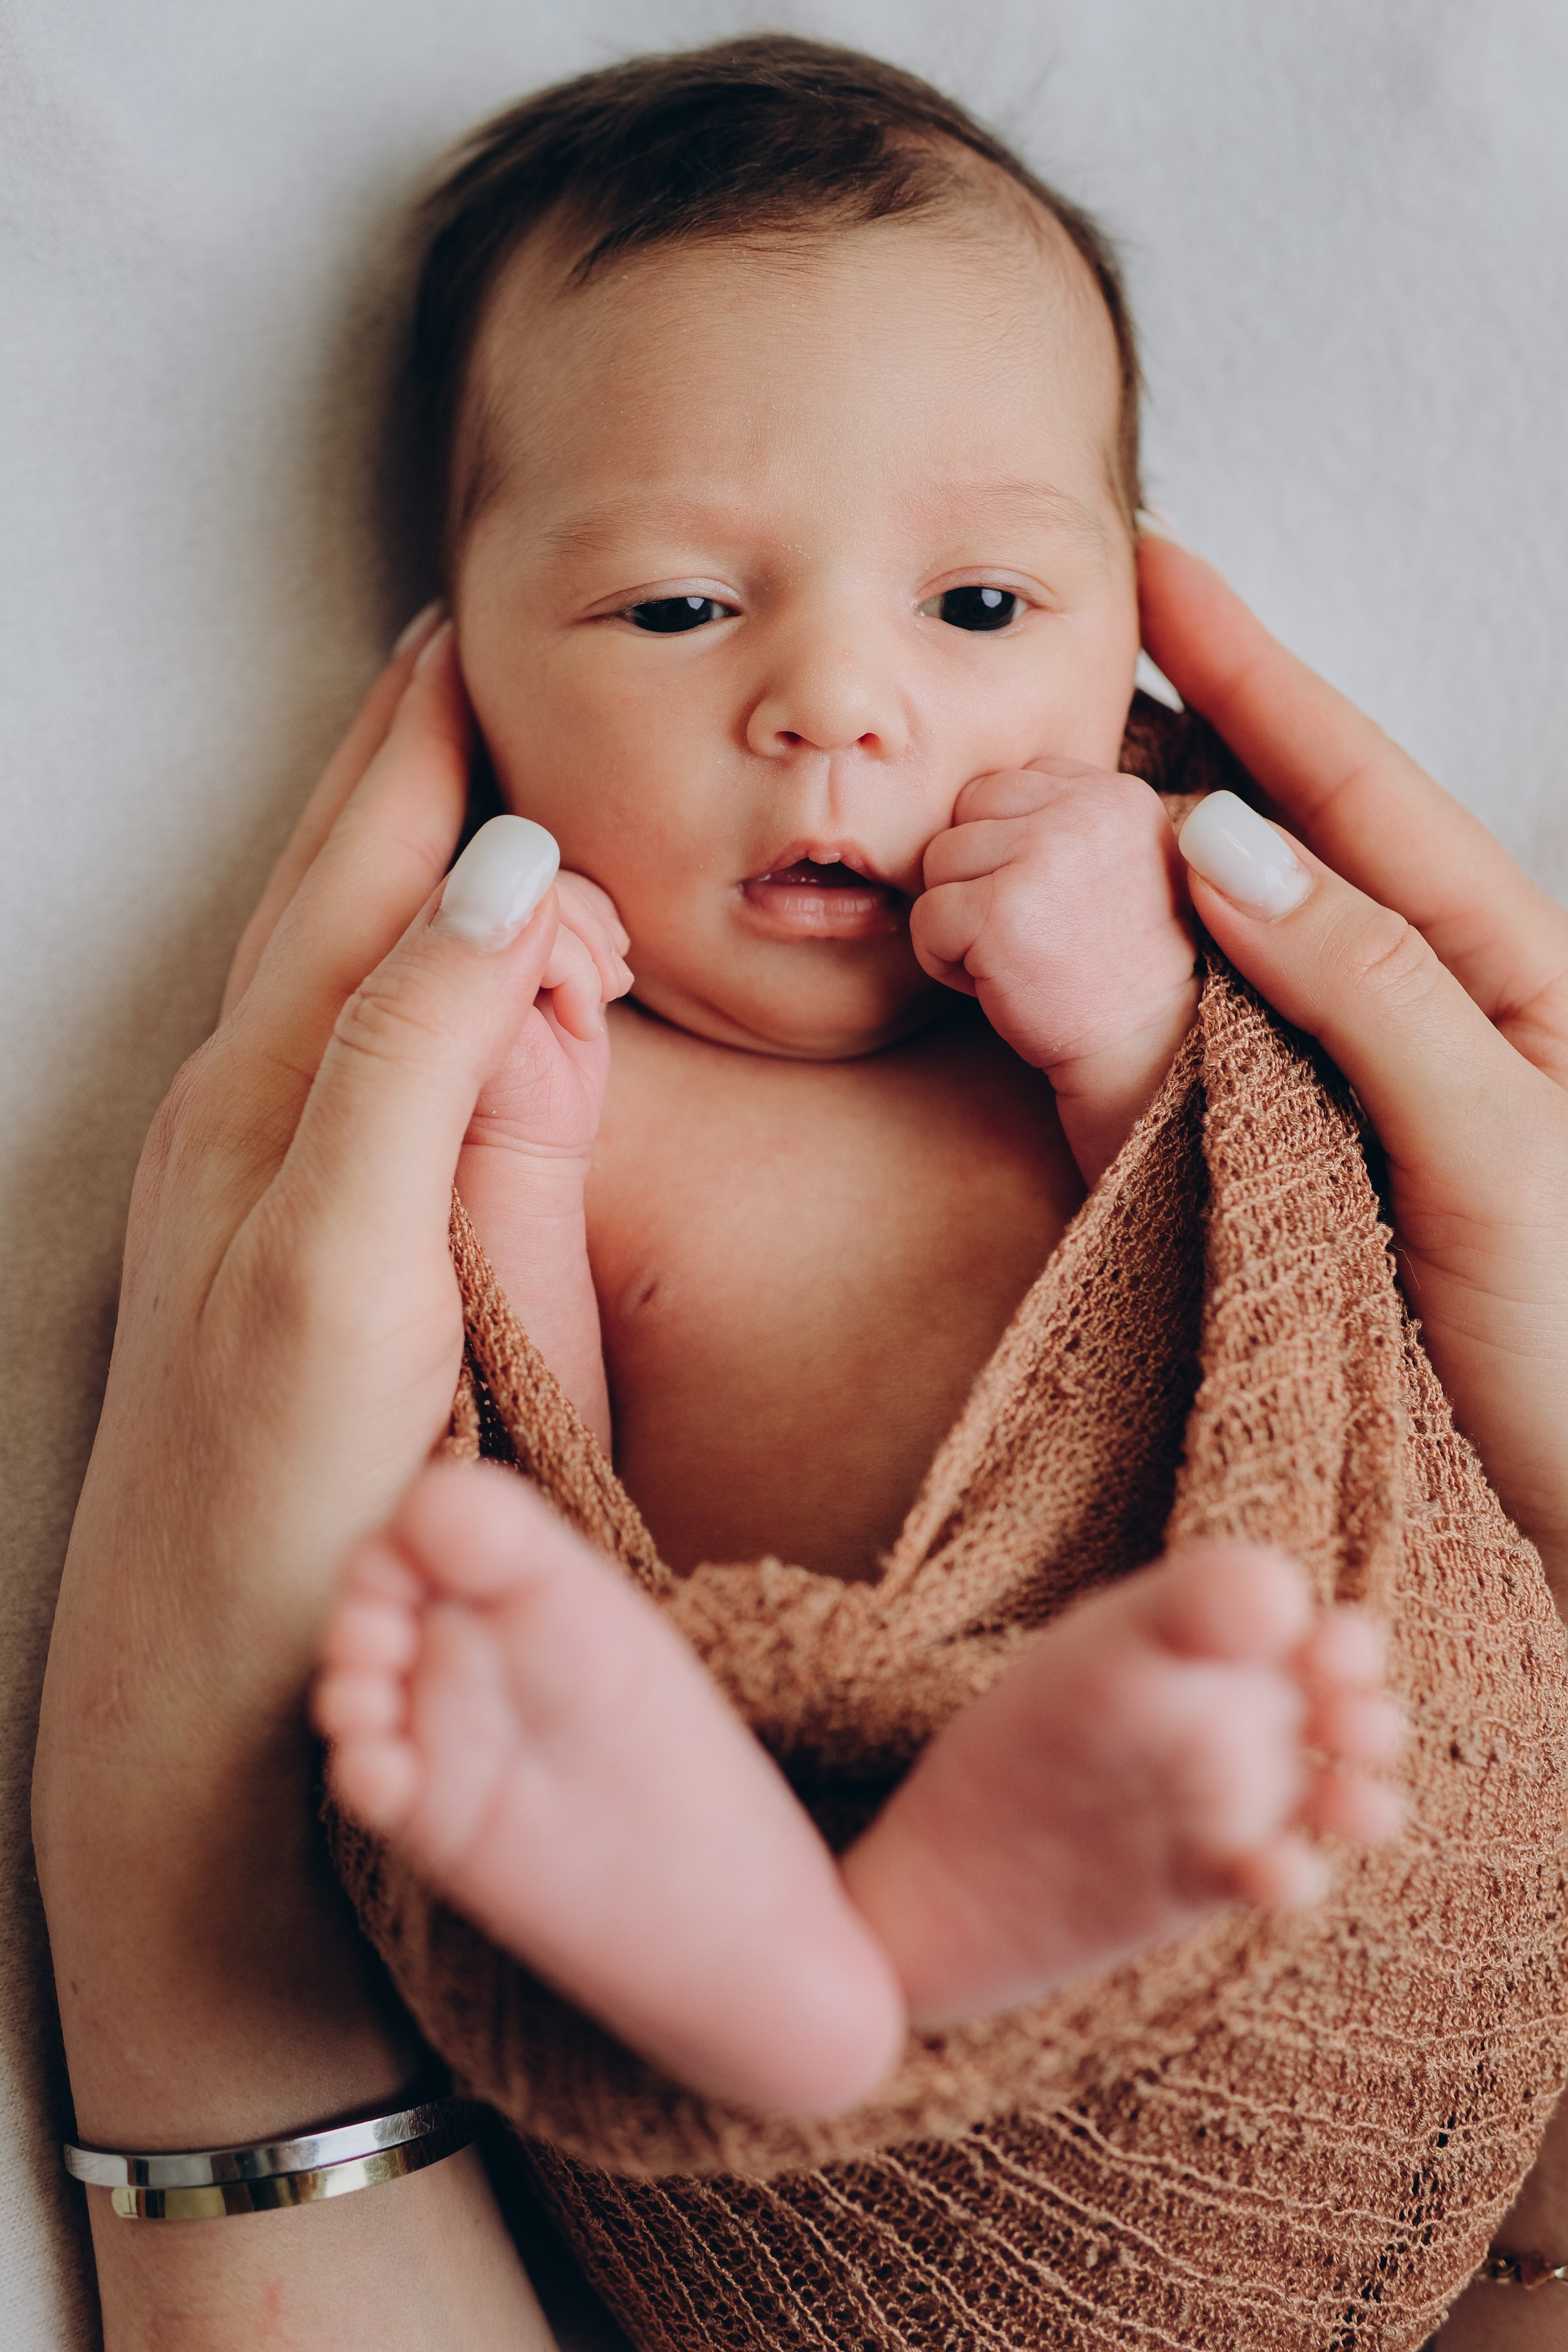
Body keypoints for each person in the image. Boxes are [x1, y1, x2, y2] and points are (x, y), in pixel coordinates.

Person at [32, 43, 1568, 2352]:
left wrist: (1143, 1034)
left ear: (1128, 644)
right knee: (522, 1684)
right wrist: (525, 1136)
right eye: (672, 611)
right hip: (744, 1927)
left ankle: (1009, 1859)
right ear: (458, 675)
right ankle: (868, 1939)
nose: (839, 699)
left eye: (978, 608)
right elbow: (499, 1448)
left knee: (1259, 1703)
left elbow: (1267, 1276)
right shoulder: (561, 1068)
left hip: (1302, 1921)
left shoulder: (1195, 970)